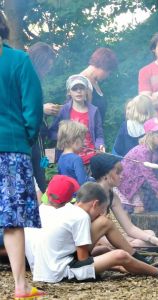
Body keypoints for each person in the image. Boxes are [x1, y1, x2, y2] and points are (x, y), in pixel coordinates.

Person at [32, 182, 158, 283]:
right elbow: (82, 259)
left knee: (105, 244)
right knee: (119, 256)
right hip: (59, 273)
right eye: (102, 210)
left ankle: (142, 262)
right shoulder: (81, 218)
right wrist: (116, 264)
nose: (101, 215)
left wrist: (109, 261)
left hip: (45, 269)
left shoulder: (69, 209)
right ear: (95, 204)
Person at [0, 11, 45, 298]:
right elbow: (34, 107)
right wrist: (24, 138)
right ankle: (20, 286)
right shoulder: (19, 60)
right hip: (12, 149)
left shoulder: (19, 60)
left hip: (12, 146)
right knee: (12, 221)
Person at [90, 153, 158, 248]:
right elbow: (88, 233)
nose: (122, 176)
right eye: (117, 173)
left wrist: (154, 240)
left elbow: (129, 228)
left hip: (108, 237)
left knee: (150, 234)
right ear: (106, 176)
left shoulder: (113, 197)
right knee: (138, 243)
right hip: (94, 240)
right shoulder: (92, 194)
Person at [116, 118, 158, 214]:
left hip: (139, 181)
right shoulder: (143, 151)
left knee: (146, 207)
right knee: (137, 209)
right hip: (128, 181)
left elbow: (155, 172)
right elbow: (148, 174)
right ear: (150, 135)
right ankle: (131, 227)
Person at [49, 74, 105, 165]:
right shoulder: (64, 110)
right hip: (70, 160)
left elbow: (99, 134)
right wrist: (64, 138)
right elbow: (52, 132)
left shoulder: (94, 111)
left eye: (81, 88)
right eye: (75, 89)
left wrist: (100, 145)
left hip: (91, 159)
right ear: (69, 92)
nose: (78, 91)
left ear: (86, 91)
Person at [28, 42, 59, 195]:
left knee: (43, 164)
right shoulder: (26, 78)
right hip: (29, 138)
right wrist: (42, 109)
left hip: (39, 135)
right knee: (37, 170)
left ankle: (44, 190)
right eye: (46, 67)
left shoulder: (35, 80)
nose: (47, 71)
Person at [80, 47, 118, 123]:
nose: (107, 75)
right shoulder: (80, 83)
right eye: (108, 72)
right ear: (103, 66)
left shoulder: (95, 82)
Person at [57, 120, 91, 185]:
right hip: (77, 194)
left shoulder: (61, 157)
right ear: (73, 140)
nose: (84, 143)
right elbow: (83, 182)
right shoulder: (76, 159)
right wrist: (92, 180)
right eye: (82, 140)